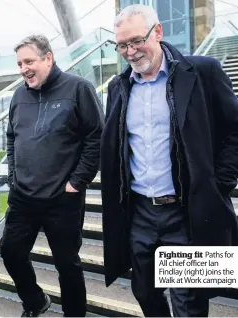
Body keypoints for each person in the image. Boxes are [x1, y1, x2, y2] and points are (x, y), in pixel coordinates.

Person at [101, 4, 238, 317]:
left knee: (189, 303)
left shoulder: (203, 71)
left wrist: (218, 183)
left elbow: (234, 130)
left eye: (137, 41)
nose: (131, 51)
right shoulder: (118, 87)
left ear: (158, 32)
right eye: (122, 45)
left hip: (186, 214)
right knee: (144, 293)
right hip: (140, 214)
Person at [0, 34, 104, 317]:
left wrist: (76, 182)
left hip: (63, 197)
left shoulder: (78, 88)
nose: (23, 69)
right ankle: (35, 301)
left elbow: (96, 137)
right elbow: (11, 137)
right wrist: (13, 176)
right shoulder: (19, 95)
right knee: (10, 251)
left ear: (48, 58)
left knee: (66, 264)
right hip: (24, 196)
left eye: (29, 61)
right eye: (20, 63)